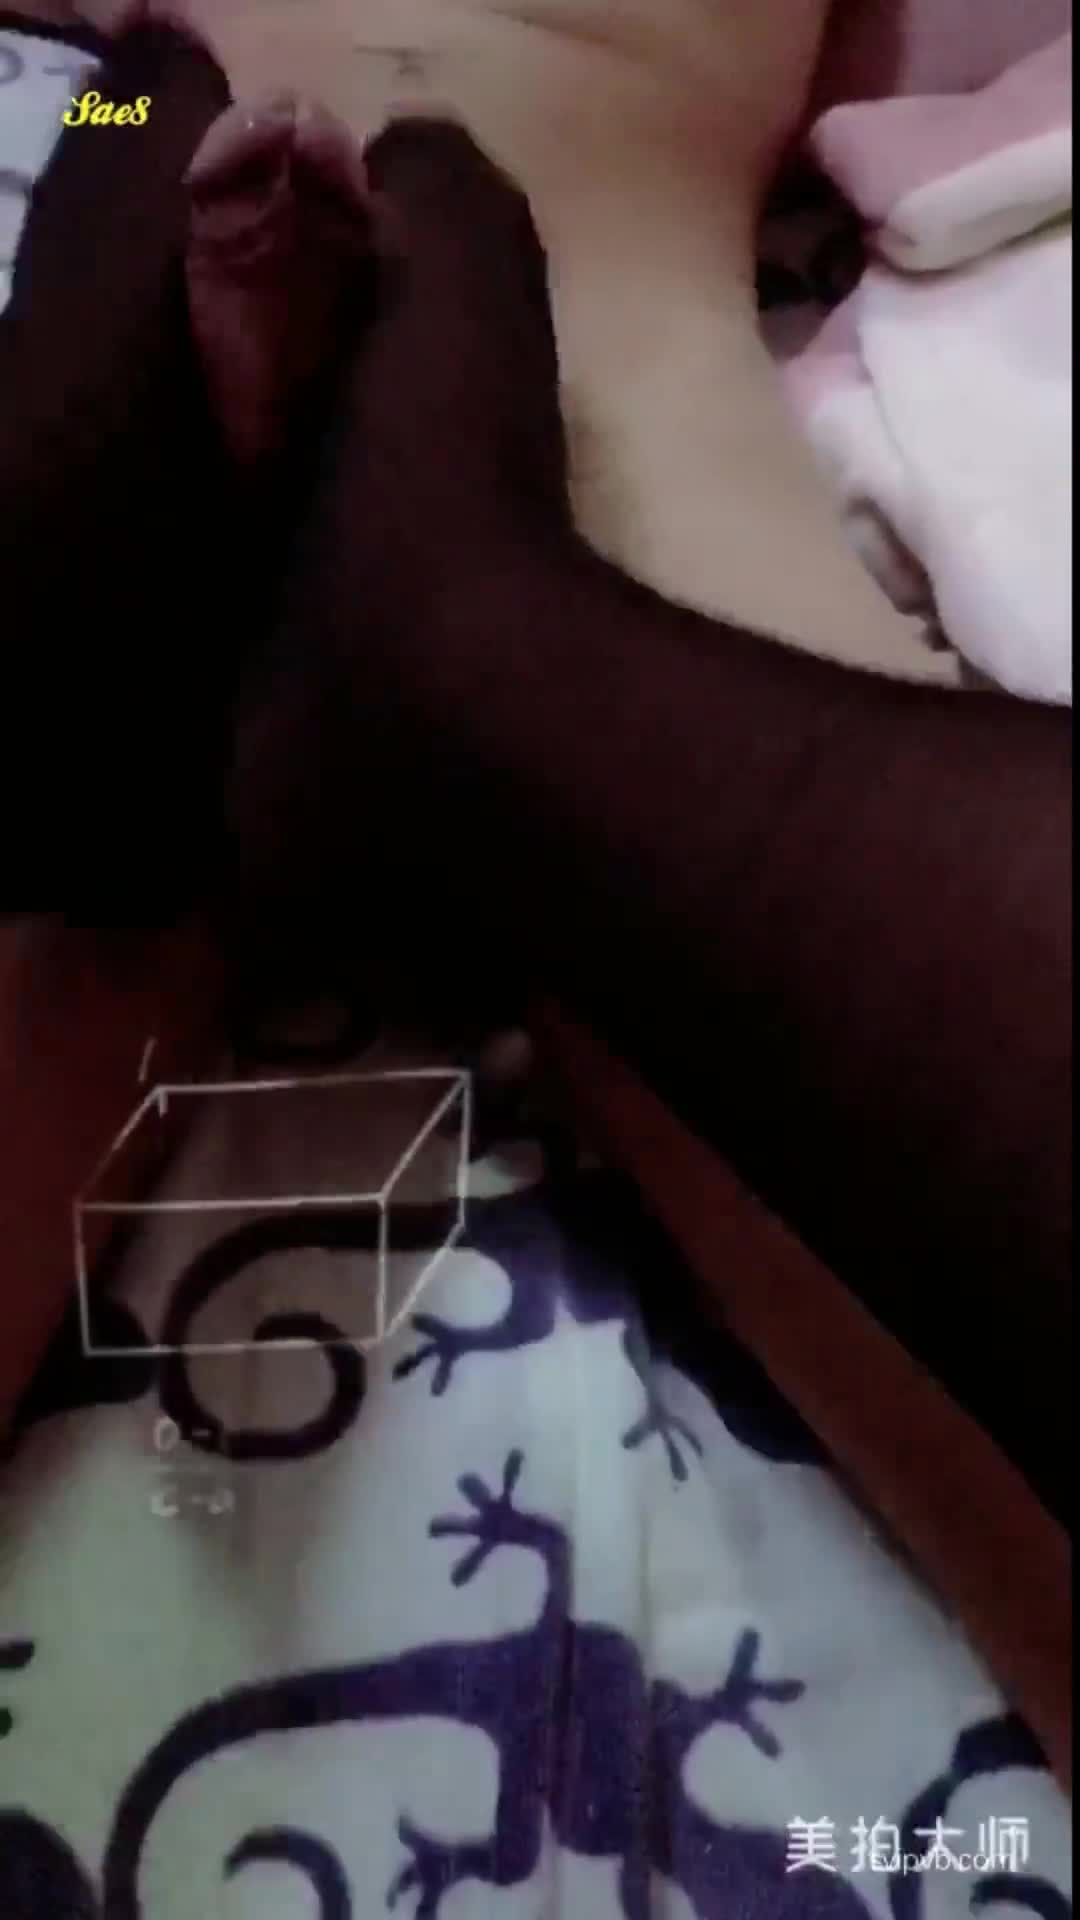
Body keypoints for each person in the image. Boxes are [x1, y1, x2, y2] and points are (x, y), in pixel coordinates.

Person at [1, 20, 1069, 1520]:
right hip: (467, 249)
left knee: (80, 877)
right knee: (835, 942)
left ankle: (234, 557)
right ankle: (382, 602)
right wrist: (128, 104)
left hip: (573, 283)